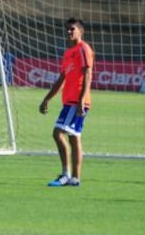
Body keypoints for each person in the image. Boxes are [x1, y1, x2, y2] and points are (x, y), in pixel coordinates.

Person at [39, 18, 94, 187]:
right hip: (69, 101)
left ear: (80, 31)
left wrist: (81, 100)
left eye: (72, 29)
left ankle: (65, 174)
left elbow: (88, 74)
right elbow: (61, 79)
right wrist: (47, 99)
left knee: (58, 133)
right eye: (67, 30)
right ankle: (75, 178)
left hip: (76, 101)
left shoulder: (83, 49)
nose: (69, 32)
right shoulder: (68, 53)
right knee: (74, 137)